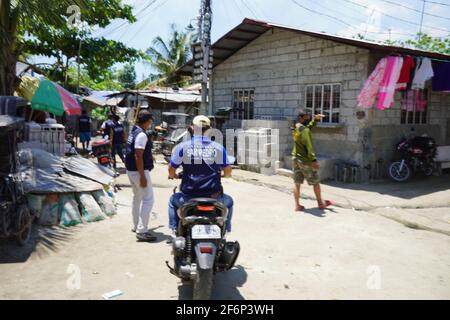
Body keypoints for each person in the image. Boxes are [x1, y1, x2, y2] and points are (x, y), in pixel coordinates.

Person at [168, 115, 233, 234]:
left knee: (173, 200)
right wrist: (225, 175)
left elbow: (171, 168)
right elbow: (228, 170)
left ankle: (174, 230)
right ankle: (226, 231)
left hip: (188, 197)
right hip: (214, 197)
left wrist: (173, 175)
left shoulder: (183, 147)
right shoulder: (218, 148)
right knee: (229, 202)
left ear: (192, 128)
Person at [292, 109, 332, 212]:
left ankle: (297, 206)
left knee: (297, 183)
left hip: (296, 158)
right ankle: (320, 203)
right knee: (315, 182)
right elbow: (309, 147)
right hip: (305, 160)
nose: (307, 119)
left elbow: (306, 128)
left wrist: (314, 120)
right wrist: (313, 160)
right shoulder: (305, 131)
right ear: (301, 118)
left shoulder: (296, 127)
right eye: (306, 117)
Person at [125, 110, 156, 242]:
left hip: (131, 170)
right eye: (150, 122)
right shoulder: (141, 135)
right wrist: (143, 176)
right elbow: (138, 155)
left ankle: (136, 225)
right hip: (138, 171)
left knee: (137, 198)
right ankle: (142, 230)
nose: (150, 124)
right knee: (148, 199)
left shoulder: (134, 131)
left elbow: (139, 152)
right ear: (147, 121)